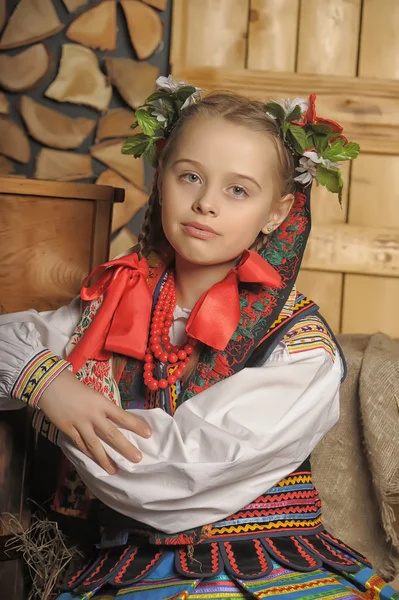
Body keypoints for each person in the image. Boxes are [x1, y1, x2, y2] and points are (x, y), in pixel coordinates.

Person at [0, 76, 397, 600]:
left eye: (238, 189)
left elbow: (173, 471)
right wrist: (50, 385)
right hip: (124, 567)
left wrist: (63, 418)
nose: (206, 203)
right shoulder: (112, 307)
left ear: (276, 213)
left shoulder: (298, 346)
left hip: (269, 569)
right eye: (190, 176)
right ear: (161, 177)